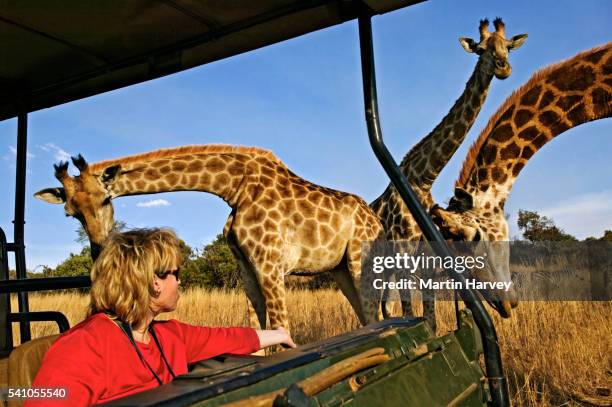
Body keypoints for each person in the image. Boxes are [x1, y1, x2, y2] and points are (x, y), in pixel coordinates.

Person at [25, 228, 295, 406]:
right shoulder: (83, 347)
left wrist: (279, 334)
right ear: (155, 281)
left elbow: (224, 338)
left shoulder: (167, 336)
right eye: (176, 274)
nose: (179, 282)